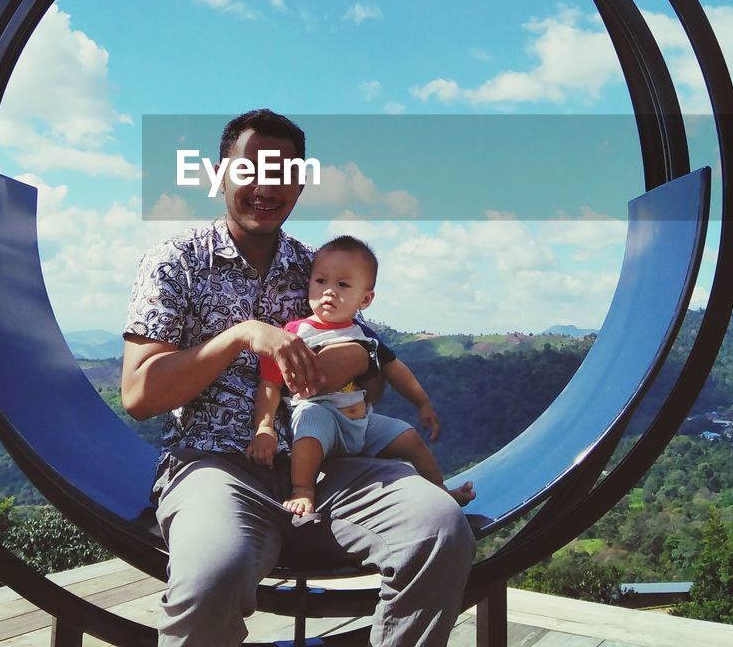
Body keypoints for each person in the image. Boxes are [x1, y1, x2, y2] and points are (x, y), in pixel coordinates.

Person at [122, 109, 474, 647]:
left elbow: (373, 383)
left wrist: (356, 359)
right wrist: (242, 336)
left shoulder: (322, 269)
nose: (266, 185)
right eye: (250, 168)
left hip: (331, 465)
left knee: (440, 529)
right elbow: (139, 395)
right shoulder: (177, 261)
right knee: (210, 577)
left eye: (283, 171)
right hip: (217, 469)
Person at [247, 234, 476, 517]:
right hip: (320, 413)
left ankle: (441, 491)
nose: (329, 292)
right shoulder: (295, 333)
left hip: (361, 421)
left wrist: (422, 402)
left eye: (342, 285)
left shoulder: (363, 334)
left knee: (409, 437)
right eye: (321, 281)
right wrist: (265, 427)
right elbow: (270, 383)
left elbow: (395, 368)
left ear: (365, 299)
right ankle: (303, 490)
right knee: (310, 429)